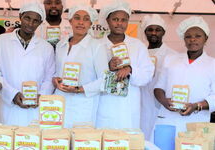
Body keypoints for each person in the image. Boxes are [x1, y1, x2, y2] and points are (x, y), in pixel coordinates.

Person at [96, 0, 154, 129]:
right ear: (108, 20)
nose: (119, 23)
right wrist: (108, 67)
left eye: (123, 20)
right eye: (115, 19)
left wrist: (131, 70)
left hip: (128, 105)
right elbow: (90, 75)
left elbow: (147, 74)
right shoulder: (97, 45)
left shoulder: (138, 46)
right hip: (105, 103)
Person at [0, 2, 55, 126]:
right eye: (27, 18)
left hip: (34, 110)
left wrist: (41, 96)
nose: (30, 24)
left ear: (40, 23)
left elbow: (50, 77)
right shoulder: (0, 42)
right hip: (8, 107)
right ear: (20, 16)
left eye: (35, 21)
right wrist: (12, 94)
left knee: (30, 142)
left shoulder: (46, 47)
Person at [153, 16, 215, 135]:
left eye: (198, 36)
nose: (192, 39)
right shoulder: (170, 59)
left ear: (205, 38)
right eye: (188, 36)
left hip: (196, 122)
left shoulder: (213, 64)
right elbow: (158, 87)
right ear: (184, 39)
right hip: (168, 119)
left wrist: (196, 106)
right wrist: (164, 101)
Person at [52, 5, 109, 128]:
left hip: (83, 105)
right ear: (71, 21)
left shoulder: (97, 46)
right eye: (77, 18)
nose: (81, 22)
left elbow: (105, 79)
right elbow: (57, 72)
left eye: (86, 19)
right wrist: (55, 79)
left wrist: (79, 89)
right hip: (59, 102)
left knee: (80, 141)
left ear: (91, 23)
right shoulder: (61, 45)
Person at [140, 14, 178, 140]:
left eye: (158, 29)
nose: (154, 33)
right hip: (140, 105)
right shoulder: (139, 53)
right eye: (150, 29)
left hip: (161, 106)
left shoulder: (173, 56)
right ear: (145, 32)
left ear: (163, 32)